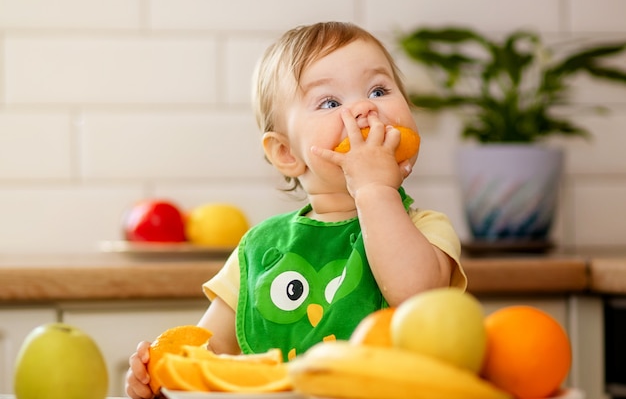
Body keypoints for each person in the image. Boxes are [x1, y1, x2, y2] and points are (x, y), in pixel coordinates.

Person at [125, 21, 467, 399]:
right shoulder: (258, 249)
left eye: (379, 89)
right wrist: (163, 375)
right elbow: (210, 357)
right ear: (286, 153)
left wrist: (373, 189)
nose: (364, 107)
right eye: (330, 102)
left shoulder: (427, 230)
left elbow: (415, 294)